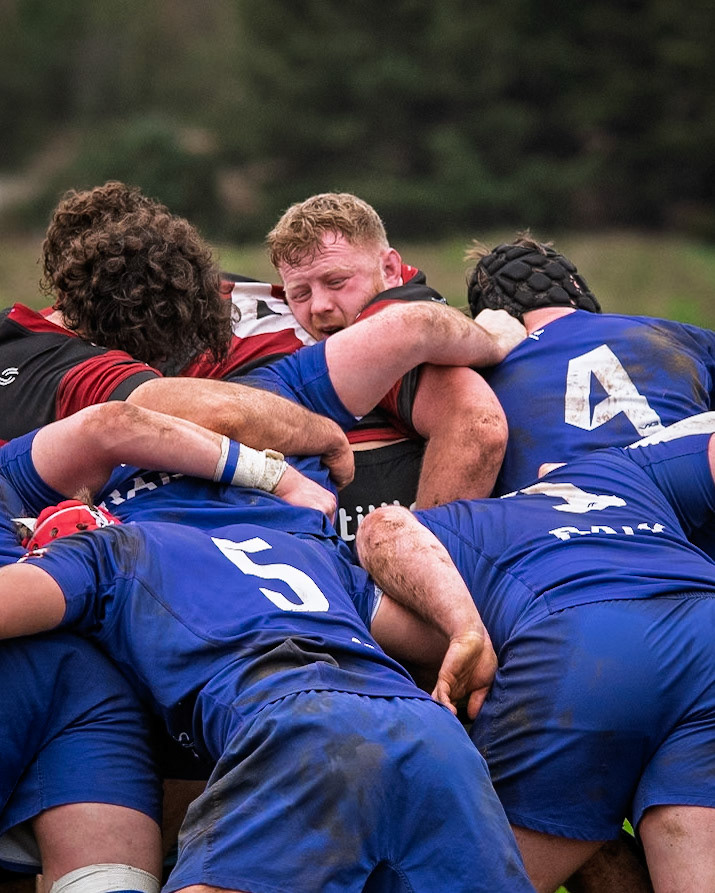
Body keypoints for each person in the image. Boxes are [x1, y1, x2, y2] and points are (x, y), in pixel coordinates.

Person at [0, 427, 534, 892]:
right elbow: (432, 644)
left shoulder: (110, 552)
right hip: (431, 736)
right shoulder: (301, 548)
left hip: (294, 728)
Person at [0, 400, 341, 892]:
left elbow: (120, 421)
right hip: (93, 690)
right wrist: (278, 473)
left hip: (89, 697)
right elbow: (117, 421)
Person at [355, 428, 715, 892]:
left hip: (582, 649)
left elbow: (381, 527)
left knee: (455, 876)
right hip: (703, 627)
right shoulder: (619, 469)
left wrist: (469, 633)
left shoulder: (464, 520)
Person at [260, 191, 517, 525]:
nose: (319, 305)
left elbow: (479, 427)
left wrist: (419, 557)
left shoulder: (391, 328)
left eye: (336, 282)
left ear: (390, 268)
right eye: (300, 294)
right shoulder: (282, 331)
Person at [465, 232, 715, 498]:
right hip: (684, 498)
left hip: (557, 520)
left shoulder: (478, 383)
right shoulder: (672, 334)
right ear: (574, 285)